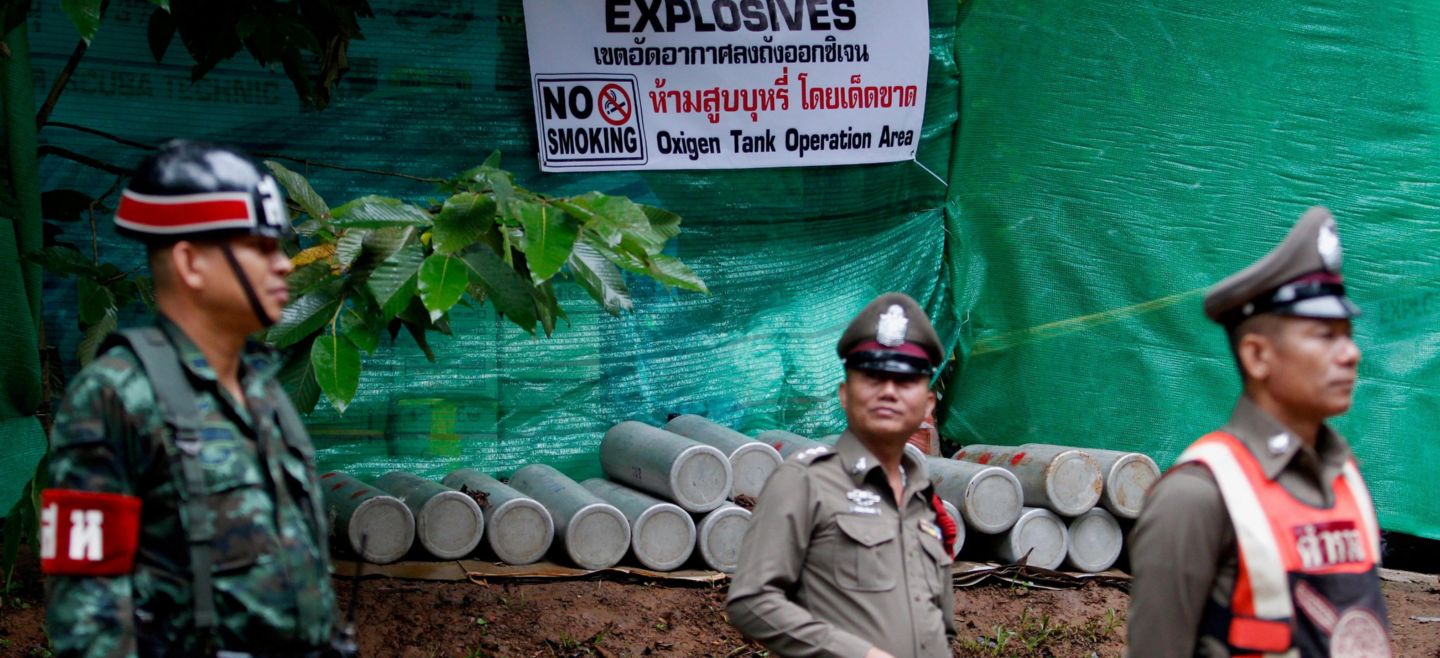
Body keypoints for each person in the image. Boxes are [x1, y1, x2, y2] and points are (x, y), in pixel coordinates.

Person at [41, 141, 340, 658]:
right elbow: (86, 615)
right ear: (191, 264)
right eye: (260, 248)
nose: (284, 266)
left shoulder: (263, 388)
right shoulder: (115, 396)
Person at [1127, 207, 1391, 657]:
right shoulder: (1197, 496)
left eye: (1348, 334)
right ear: (1257, 356)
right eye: (1325, 335)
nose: (1351, 354)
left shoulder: (1348, 480)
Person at [727, 292, 958, 658]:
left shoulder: (925, 501)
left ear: (927, 404)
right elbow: (751, 601)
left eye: (905, 381)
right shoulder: (806, 481)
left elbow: (939, 625)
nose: (888, 392)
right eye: (872, 377)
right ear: (845, 395)